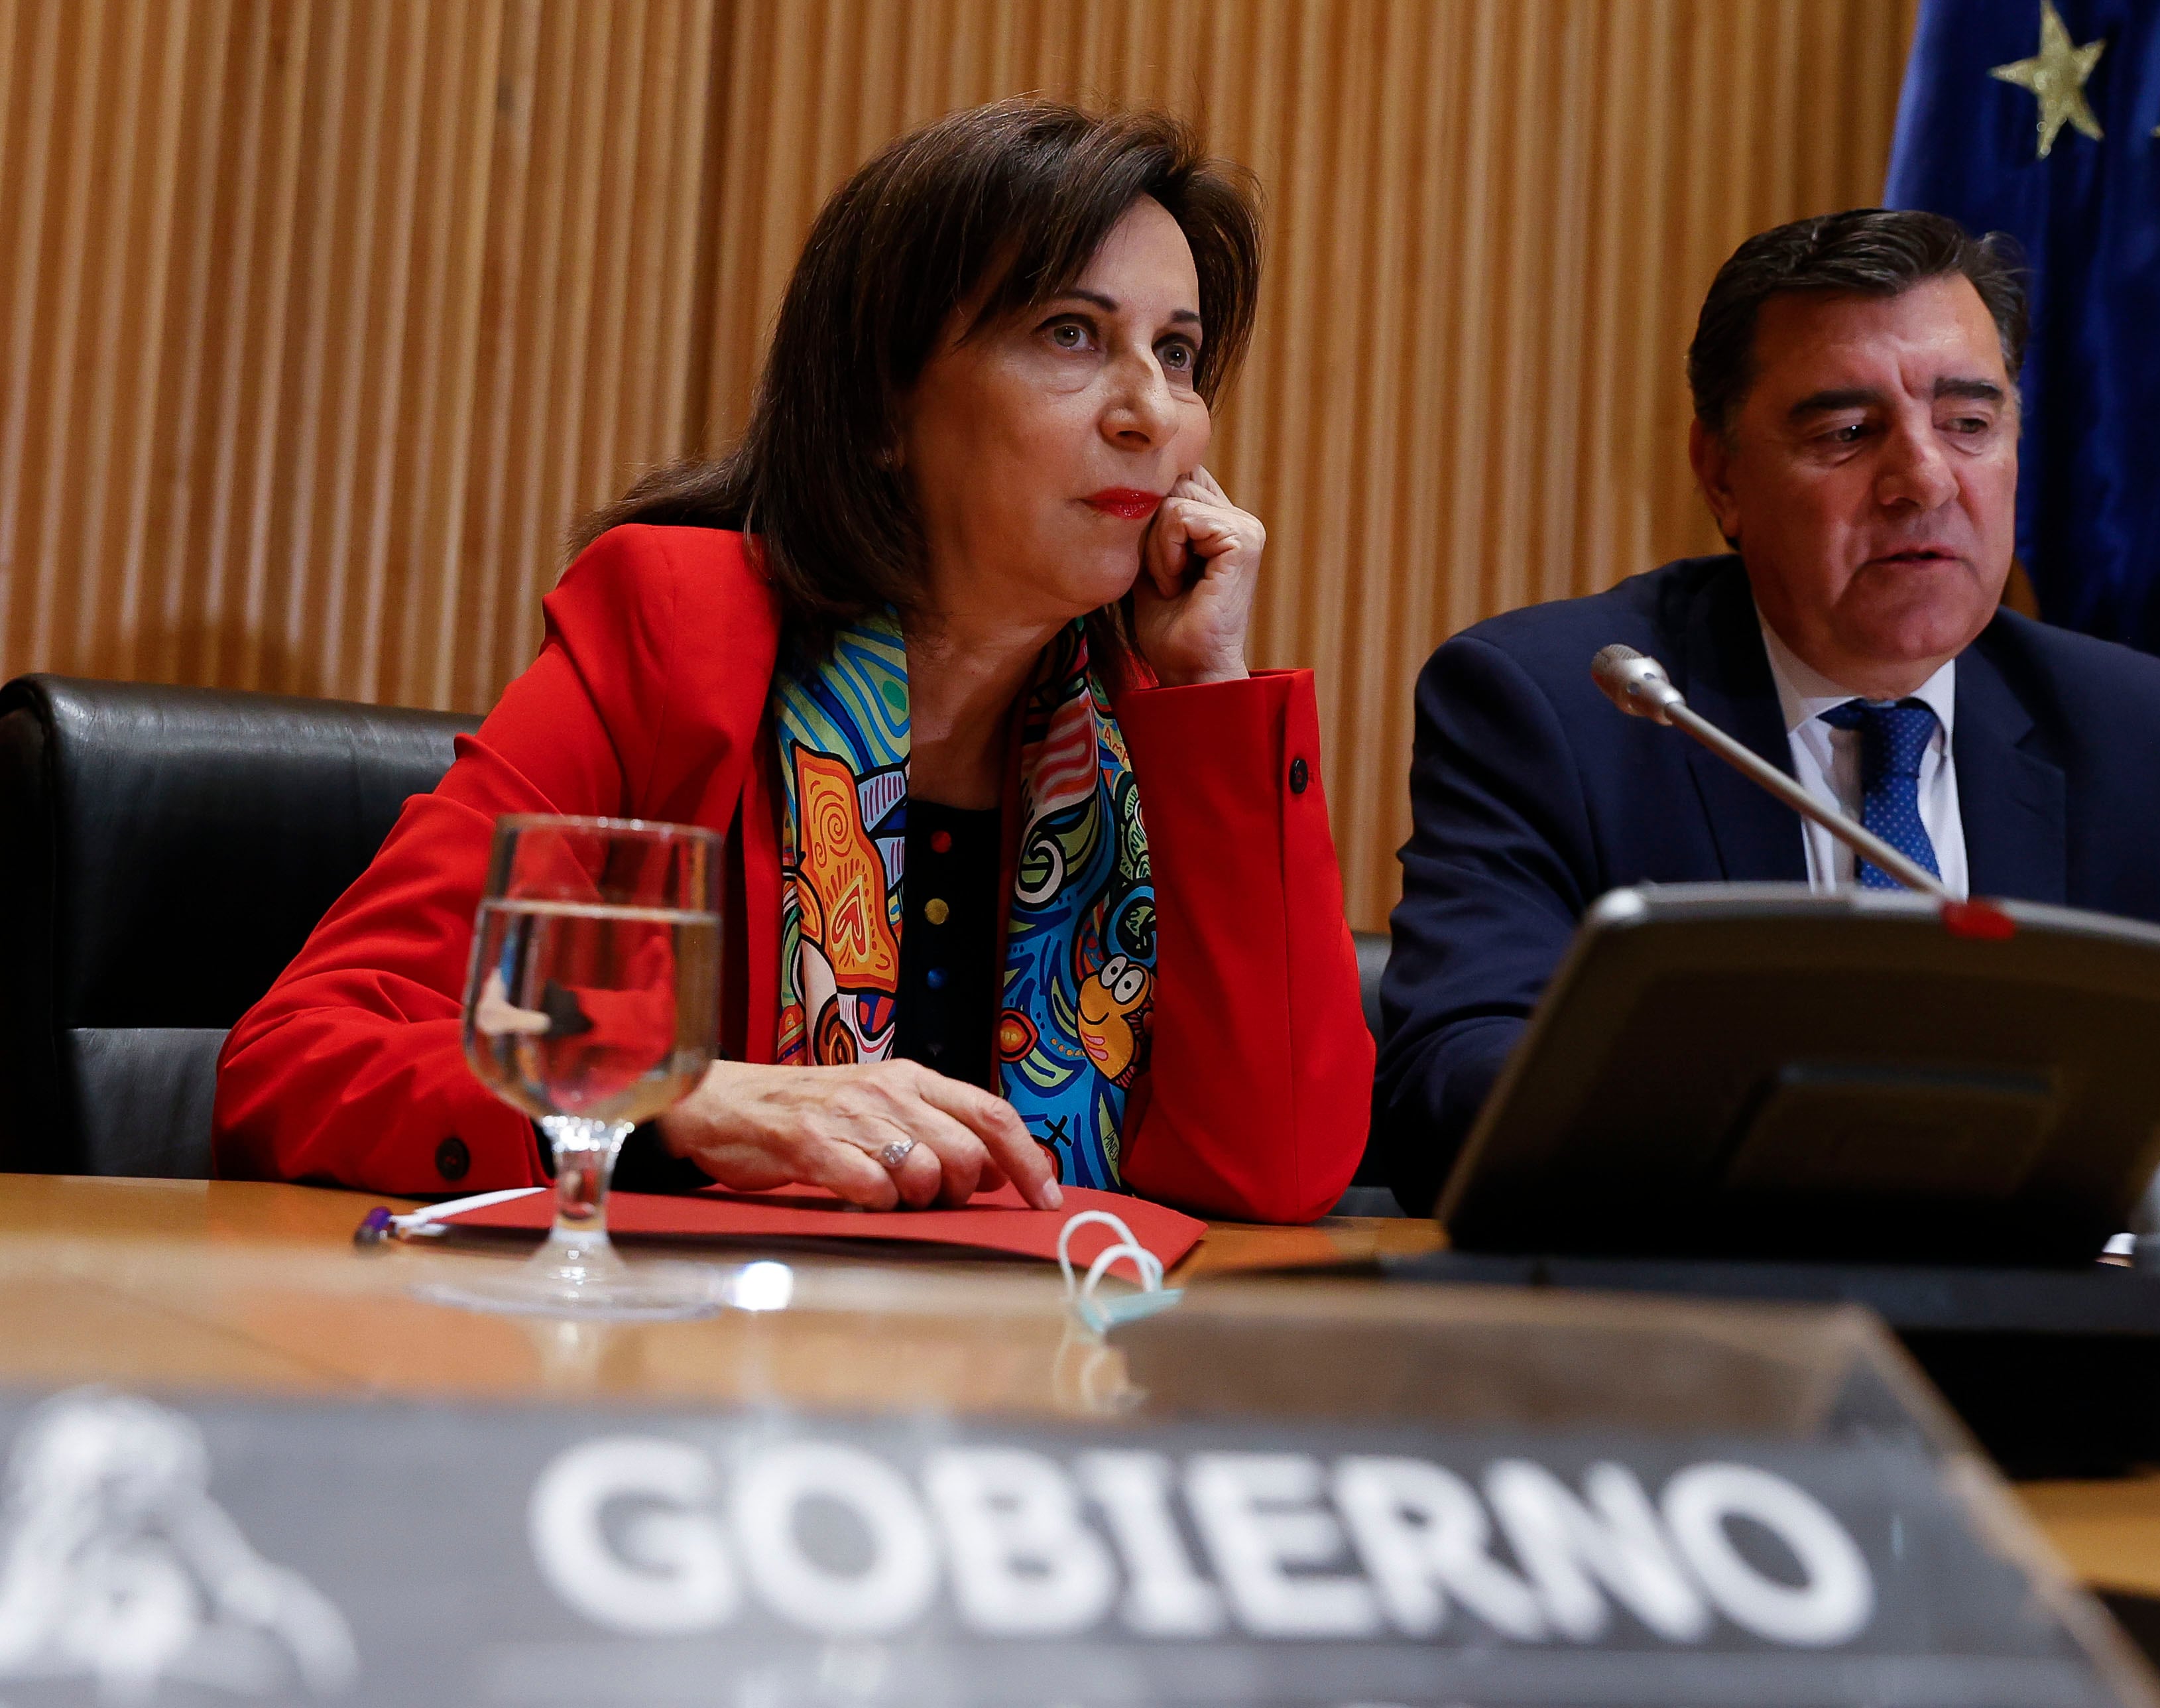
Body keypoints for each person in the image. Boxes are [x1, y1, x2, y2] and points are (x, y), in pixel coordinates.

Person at [217, 99, 1372, 1225]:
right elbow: (304, 1060)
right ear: (883, 405)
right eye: (1071, 333)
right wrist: (676, 1092)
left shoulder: (1144, 724)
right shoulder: (677, 632)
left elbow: (1277, 1169)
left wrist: (1210, 695)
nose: (1151, 412)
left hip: (1052, 1382)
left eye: (1177, 354)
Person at [1377, 208, 2160, 1268]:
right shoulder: (1568, 704)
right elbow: (1466, 1074)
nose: (1921, 479)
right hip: (1705, 1368)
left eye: (1970, 421)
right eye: (1845, 431)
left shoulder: (2141, 743)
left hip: (2034, 1379)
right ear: (1722, 475)